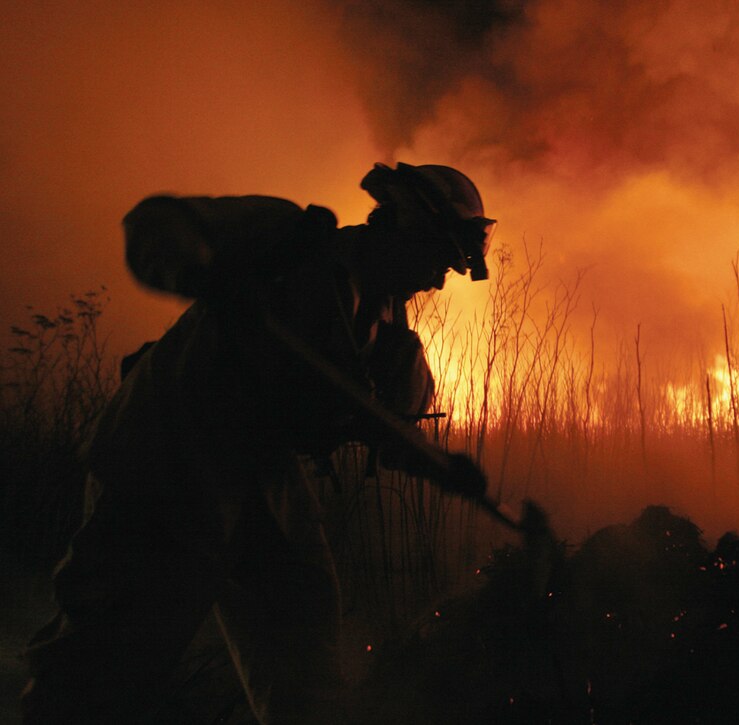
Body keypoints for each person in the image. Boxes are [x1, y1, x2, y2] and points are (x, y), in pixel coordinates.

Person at [21, 163, 495, 724]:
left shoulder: (389, 331)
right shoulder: (287, 241)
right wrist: (206, 275)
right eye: (438, 259)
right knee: (104, 662)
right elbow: (155, 223)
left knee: (302, 635)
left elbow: (390, 430)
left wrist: (443, 466)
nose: (440, 281)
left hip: (257, 476)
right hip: (166, 459)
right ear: (406, 225)